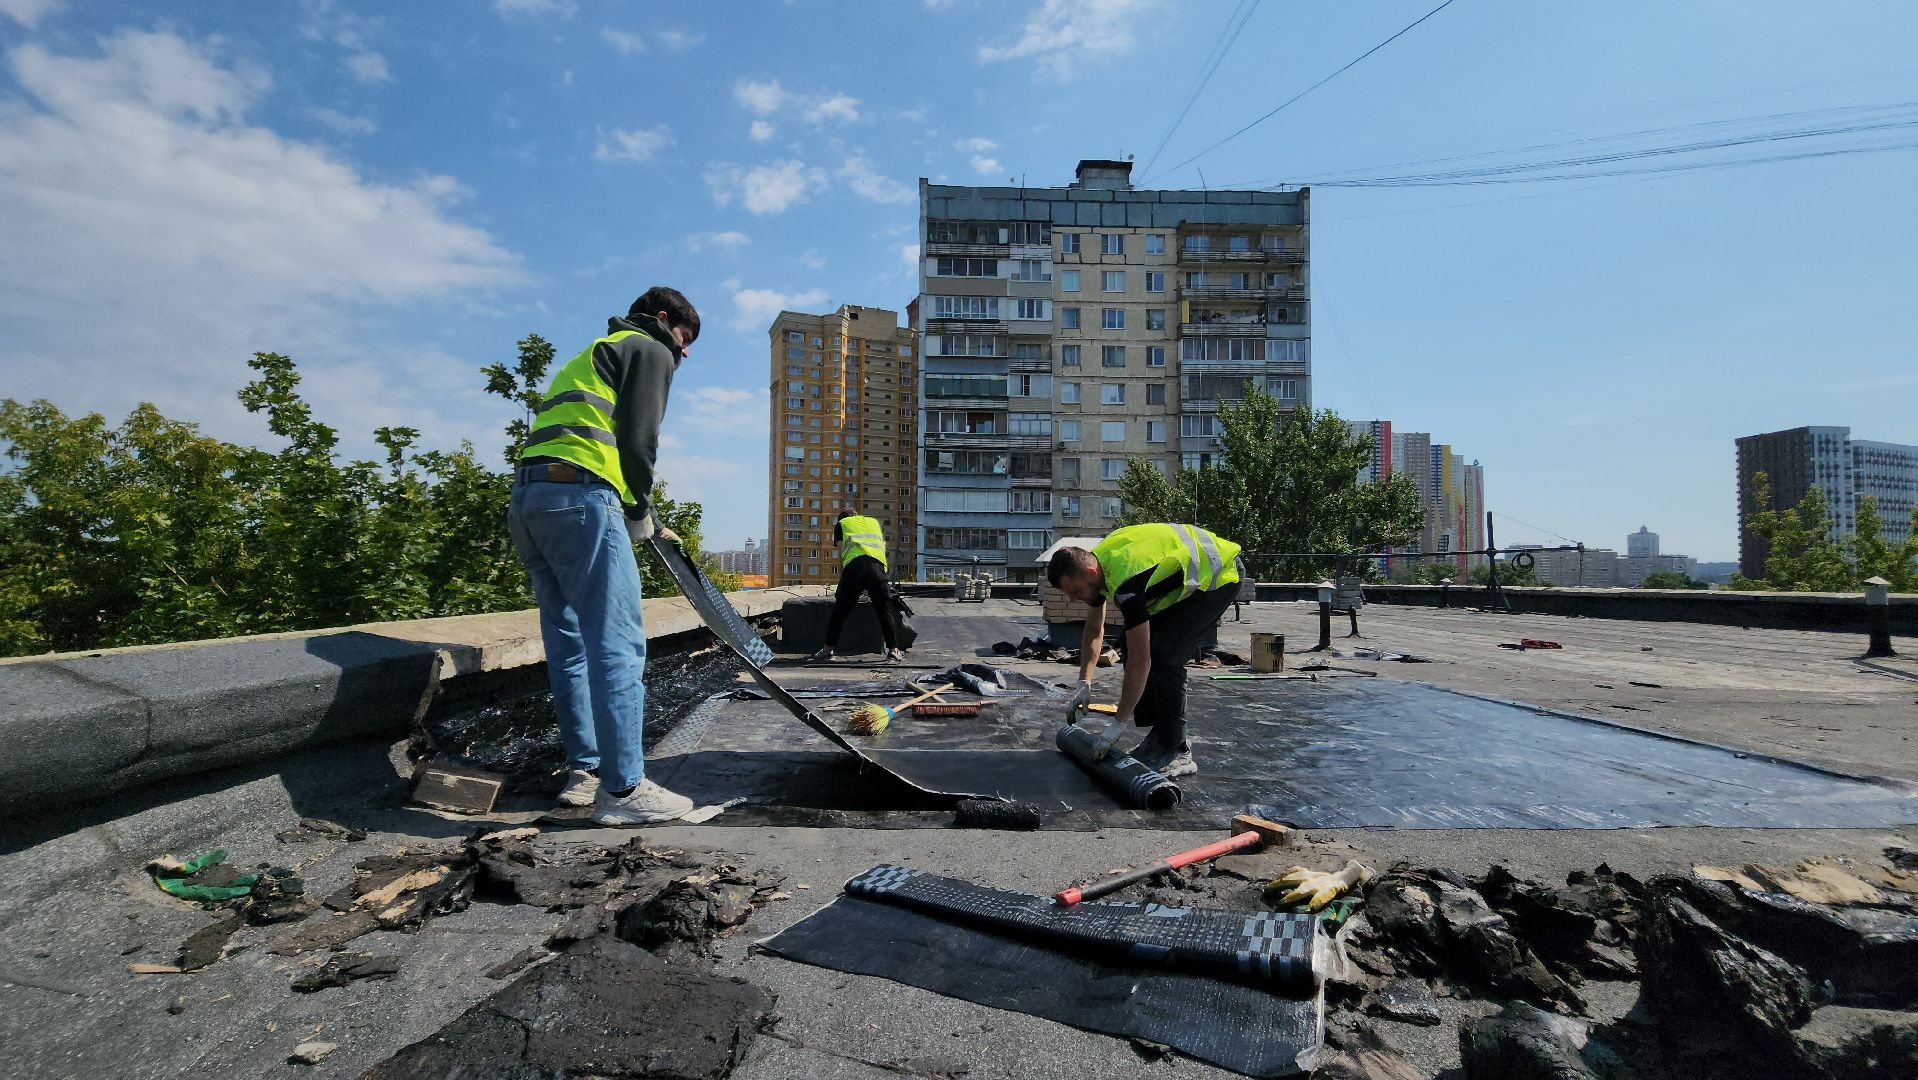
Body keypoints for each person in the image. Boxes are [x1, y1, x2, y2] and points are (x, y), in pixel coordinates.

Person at [506, 286, 700, 826]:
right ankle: (625, 789)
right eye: (685, 340)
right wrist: (640, 513)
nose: (683, 355)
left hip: (530, 499)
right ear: (664, 320)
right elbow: (638, 441)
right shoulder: (649, 347)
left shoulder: (595, 349)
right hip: (582, 498)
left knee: (567, 643)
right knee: (617, 642)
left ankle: (585, 772)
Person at [1046, 523, 1243, 779]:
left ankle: (1176, 749)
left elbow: (1142, 661)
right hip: (1187, 576)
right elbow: (1094, 629)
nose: (1073, 599)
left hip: (1219, 576)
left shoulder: (1127, 582)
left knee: (1165, 655)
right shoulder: (1098, 566)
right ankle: (1159, 737)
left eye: (1075, 592)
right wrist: (1084, 681)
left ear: (1091, 572)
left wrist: (1118, 724)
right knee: (1130, 642)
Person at [807, 510, 906, 663]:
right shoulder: (873, 523)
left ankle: (828, 649)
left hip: (854, 568)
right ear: (856, 516)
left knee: (840, 611)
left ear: (842, 519)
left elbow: (841, 549)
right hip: (877, 569)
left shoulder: (842, 524)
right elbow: (881, 546)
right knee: (884, 610)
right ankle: (893, 650)